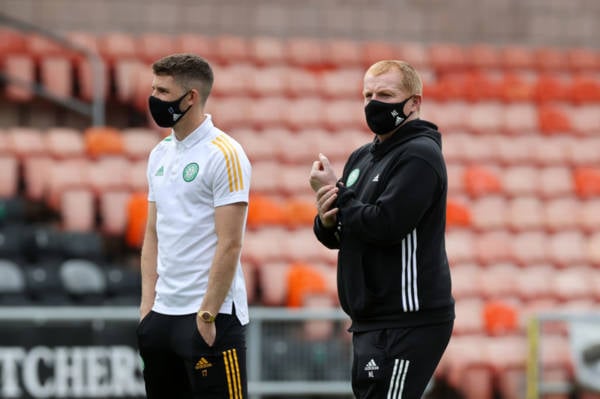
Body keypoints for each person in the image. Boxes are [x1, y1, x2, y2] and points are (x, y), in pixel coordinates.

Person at [310, 60, 454, 399]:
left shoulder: (420, 155)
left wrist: (340, 194)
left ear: (414, 102)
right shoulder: (362, 156)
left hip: (408, 318)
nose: (374, 103)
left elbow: (386, 225)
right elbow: (345, 231)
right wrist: (327, 217)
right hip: (369, 319)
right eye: (368, 94)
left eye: (386, 94)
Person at [137, 53, 252, 399]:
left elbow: (230, 243)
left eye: (162, 90)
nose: (154, 98)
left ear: (191, 97)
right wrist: (147, 309)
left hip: (209, 319)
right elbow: (152, 233)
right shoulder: (159, 154)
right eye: (153, 88)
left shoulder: (225, 154)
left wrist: (206, 315)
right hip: (162, 317)